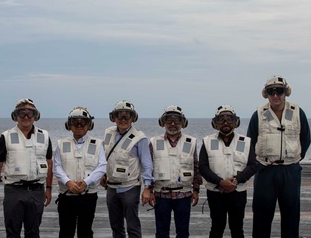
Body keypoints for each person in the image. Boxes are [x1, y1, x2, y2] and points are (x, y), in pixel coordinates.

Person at [247, 75, 311, 238]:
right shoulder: (259, 114)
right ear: (266, 94)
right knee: (262, 214)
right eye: (271, 91)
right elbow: (250, 141)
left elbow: (306, 138)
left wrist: (295, 158)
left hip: (290, 170)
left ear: (286, 93)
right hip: (265, 170)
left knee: (291, 214)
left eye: (279, 91)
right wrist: (258, 165)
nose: (276, 95)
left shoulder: (297, 112)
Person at [0, 98, 53, 238]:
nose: (25, 117)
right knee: (12, 231)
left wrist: (48, 188)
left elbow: (49, 162)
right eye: (21, 113)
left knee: (33, 232)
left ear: (36, 116)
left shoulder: (45, 136)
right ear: (15, 116)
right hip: (14, 191)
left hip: (37, 190)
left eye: (30, 113)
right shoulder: (6, 137)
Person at [199, 105, 260, 238]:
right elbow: (203, 167)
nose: (226, 123)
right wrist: (220, 182)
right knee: (216, 228)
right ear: (215, 123)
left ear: (235, 122)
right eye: (221, 119)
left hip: (238, 192)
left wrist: (236, 181)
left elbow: (253, 165)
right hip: (216, 192)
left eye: (229, 119)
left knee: (237, 228)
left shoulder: (246, 142)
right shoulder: (207, 141)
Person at [100, 100, 153, 238]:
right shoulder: (108, 133)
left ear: (133, 118)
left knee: (132, 226)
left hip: (130, 187)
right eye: (119, 116)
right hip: (111, 188)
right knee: (116, 226)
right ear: (114, 117)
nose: (123, 120)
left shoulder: (140, 138)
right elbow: (104, 156)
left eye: (127, 116)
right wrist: (103, 174)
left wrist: (147, 188)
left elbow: (147, 164)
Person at [53, 106, 107, 238]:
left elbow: (102, 166)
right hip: (66, 195)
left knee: (85, 231)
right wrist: (68, 182)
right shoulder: (61, 144)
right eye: (75, 122)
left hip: (88, 196)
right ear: (69, 125)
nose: (79, 125)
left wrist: (86, 182)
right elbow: (56, 167)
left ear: (89, 125)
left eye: (83, 122)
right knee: (66, 231)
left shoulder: (98, 144)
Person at [149, 105, 202, 238]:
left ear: (183, 123)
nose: (173, 124)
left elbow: (196, 167)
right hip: (161, 195)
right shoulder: (154, 142)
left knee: (183, 232)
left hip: (184, 195)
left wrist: (196, 190)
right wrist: (149, 191)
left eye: (177, 120)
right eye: (168, 120)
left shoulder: (192, 142)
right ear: (163, 122)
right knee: (161, 233)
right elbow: (148, 168)